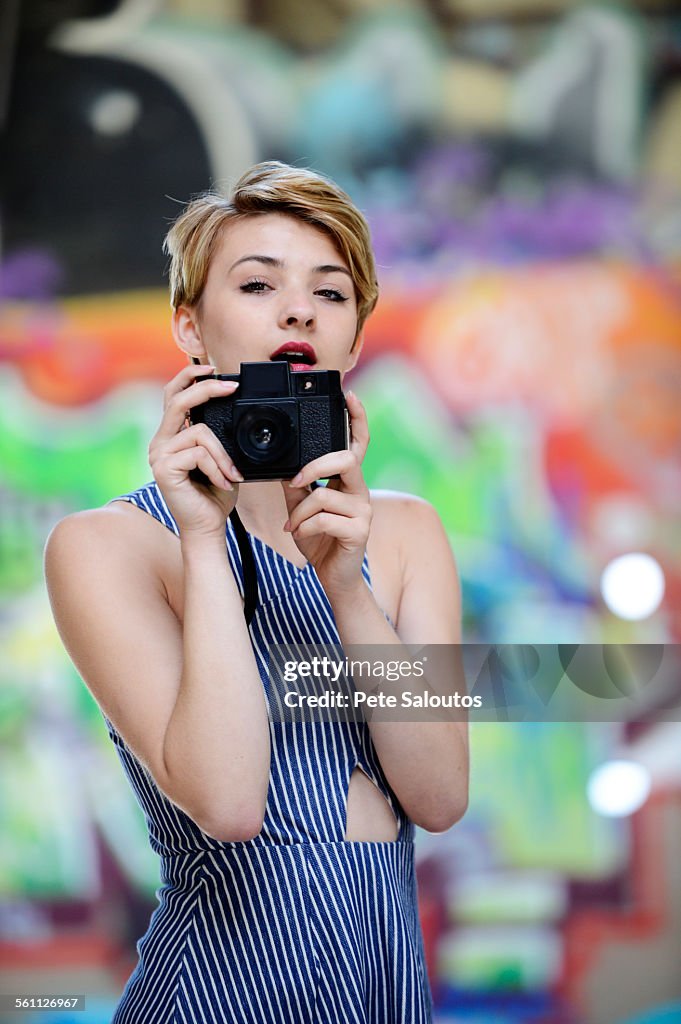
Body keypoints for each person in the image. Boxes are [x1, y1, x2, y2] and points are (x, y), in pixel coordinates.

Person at [45, 160, 469, 1024]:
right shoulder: (108, 548)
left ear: (352, 338)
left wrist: (346, 585)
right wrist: (204, 540)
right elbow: (230, 803)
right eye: (256, 283)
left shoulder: (407, 533)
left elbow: (438, 797)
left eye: (332, 292)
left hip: (384, 998)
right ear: (189, 327)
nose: (299, 310)